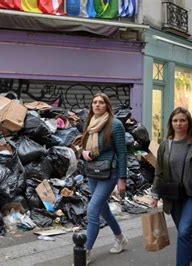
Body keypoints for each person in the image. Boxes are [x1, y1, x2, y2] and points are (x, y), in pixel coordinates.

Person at [151, 107, 192, 266]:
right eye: (175, 120)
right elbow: (159, 171)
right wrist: (155, 194)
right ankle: (190, 259)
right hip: (173, 196)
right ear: (171, 123)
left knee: (184, 232)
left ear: (189, 122)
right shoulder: (165, 145)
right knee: (183, 233)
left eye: (182, 120)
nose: (179, 123)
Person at [81, 92, 128, 263]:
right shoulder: (90, 123)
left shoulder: (115, 125)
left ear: (107, 105)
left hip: (109, 173)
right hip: (93, 171)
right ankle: (121, 238)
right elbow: (83, 145)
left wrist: (122, 179)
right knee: (102, 209)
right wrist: (84, 153)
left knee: (93, 209)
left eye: (101, 102)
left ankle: (85, 251)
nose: (97, 105)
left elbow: (122, 153)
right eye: (94, 102)